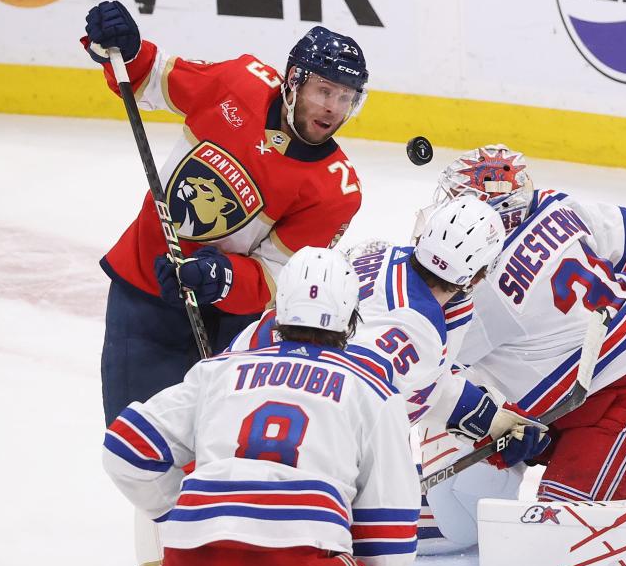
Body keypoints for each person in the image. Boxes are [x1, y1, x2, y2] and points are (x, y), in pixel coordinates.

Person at [82, 0, 369, 566]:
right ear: (293, 81)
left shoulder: (335, 188)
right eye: (323, 90)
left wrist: (220, 276)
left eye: (346, 98)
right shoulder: (238, 80)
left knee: (214, 459)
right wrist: (123, 48)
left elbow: (273, 277)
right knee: (145, 447)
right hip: (143, 289)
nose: (332, 109)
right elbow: (153, 78)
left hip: (225, 323)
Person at [103, 247, 418, 566]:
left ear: (279, 309)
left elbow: (125, 448)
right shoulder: (373, 390)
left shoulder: (218, 370)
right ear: (351, 318)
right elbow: (387, 531)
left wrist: (178, 514)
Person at [416, 144, 626, 518]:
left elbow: (423, 376)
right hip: (587, 389)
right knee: (474, 427)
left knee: (562, 530)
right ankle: (455, 510)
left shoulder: (485, 293)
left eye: (457, 203)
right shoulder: (555, 206)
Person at [228, 197, 551, 472]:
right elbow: (361, 396)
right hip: (273, 437)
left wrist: (486, 418)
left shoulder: (381, 255)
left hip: (236, 382)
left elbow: (416, 381)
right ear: (481, 275)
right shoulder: (418, 329)